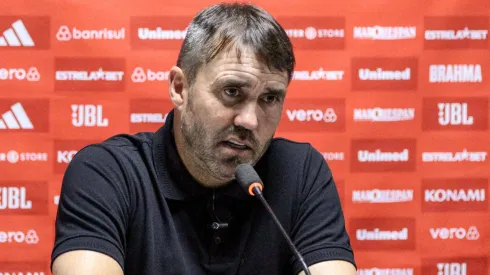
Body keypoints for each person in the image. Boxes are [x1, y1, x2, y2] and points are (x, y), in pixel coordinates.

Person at [51, 2, 357, 275]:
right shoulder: (107, 172)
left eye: (270, 98)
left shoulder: (300, 172)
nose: (249, 120)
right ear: (179, 88)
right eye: (232, 92)